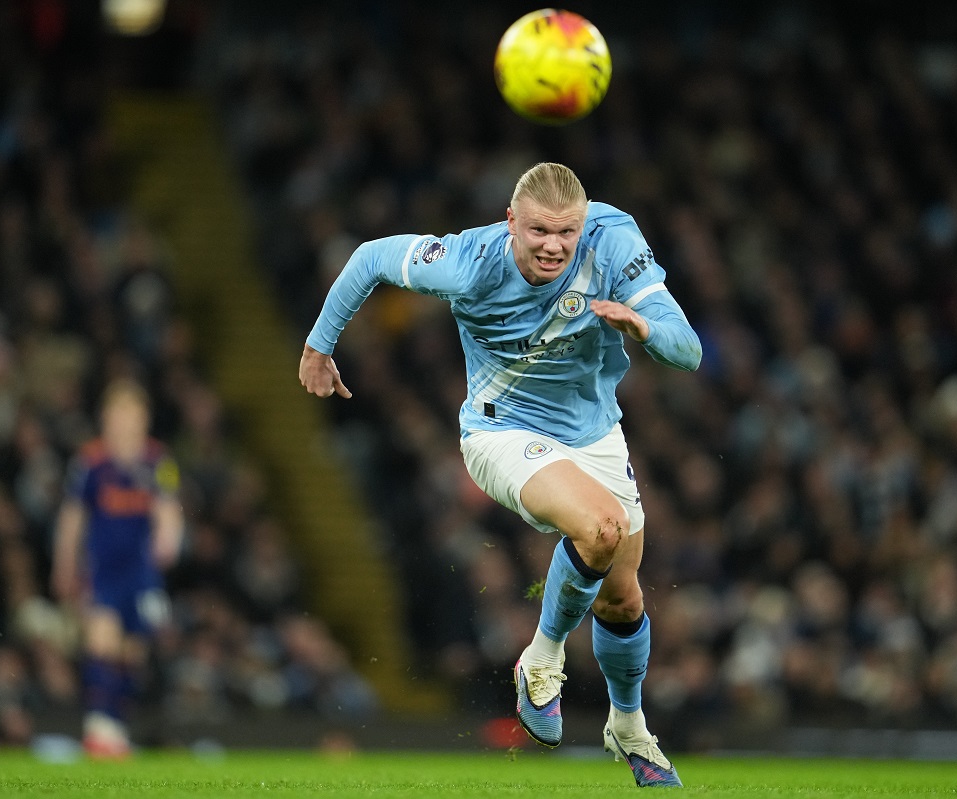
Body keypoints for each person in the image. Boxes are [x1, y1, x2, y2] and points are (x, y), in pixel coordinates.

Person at [300, 163, 700, 787]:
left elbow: (689, 348)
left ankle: (628, 725)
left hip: (595, 434)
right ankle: (541, 659)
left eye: (566, 232)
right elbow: (372, 257)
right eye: (538, 230)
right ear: (511, 222)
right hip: (501, 432)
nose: (553, 245)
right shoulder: (469, 261)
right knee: (601, 528)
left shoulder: (612, 241)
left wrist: (643, 327)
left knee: (623, 596)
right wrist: (319, 345)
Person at [51, 378, 184, 758]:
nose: (125, 422)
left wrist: (168, 539)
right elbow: (73, 517)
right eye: (118, 414)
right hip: (102, 568)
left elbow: (168, 507)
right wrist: (64, 564)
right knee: (102, 640)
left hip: (141, 572)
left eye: (133, 414)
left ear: (145, 419)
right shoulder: (90, 462)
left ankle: (115, 728)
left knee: (132, 652)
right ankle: (98, 726)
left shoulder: (160, 461)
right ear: (105, 418)